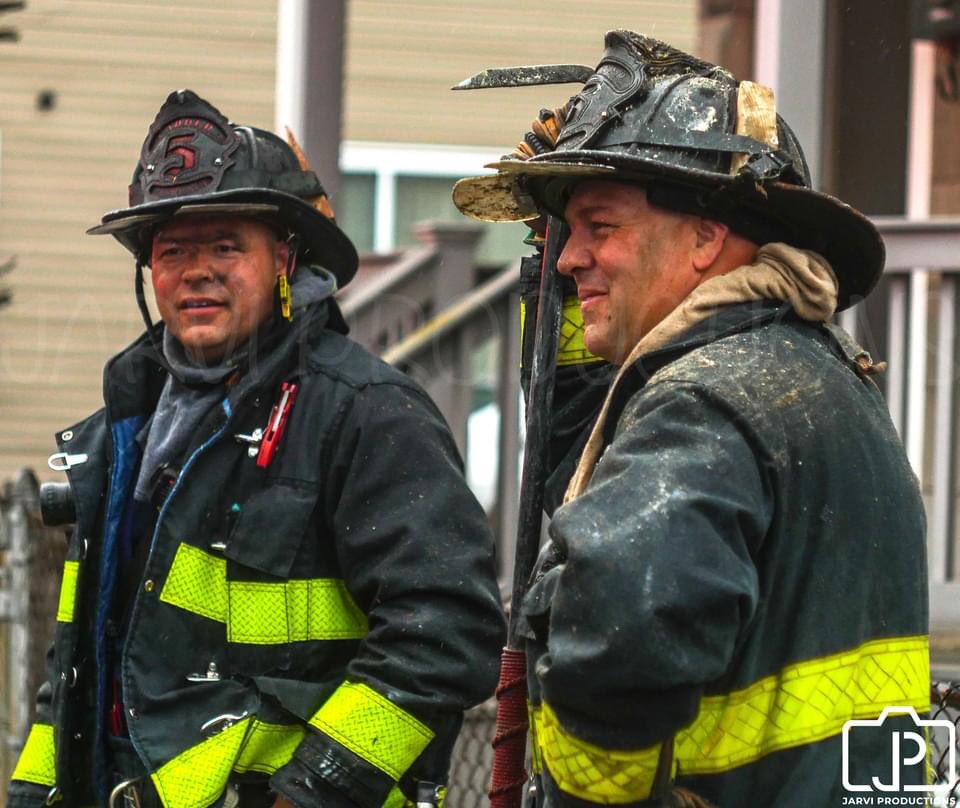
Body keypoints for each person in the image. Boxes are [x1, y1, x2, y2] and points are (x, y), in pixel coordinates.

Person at [454, 30, 929, 807]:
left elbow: (616, 636)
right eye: (567, 235)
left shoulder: (702, 403)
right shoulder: (811, 375)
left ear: (708, 235)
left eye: (600, 226)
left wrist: (594, 798)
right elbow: (577, 472)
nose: (572, 259)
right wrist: (551, 274)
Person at [8, 90, 505, 808]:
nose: (197, 270)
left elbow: (447, 634)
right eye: (173, 250)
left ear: (285, 258)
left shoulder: (362, 414)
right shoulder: (118, 434)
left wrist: (315, 792)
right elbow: (79, 659)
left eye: (225, 246)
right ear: (151, 271)